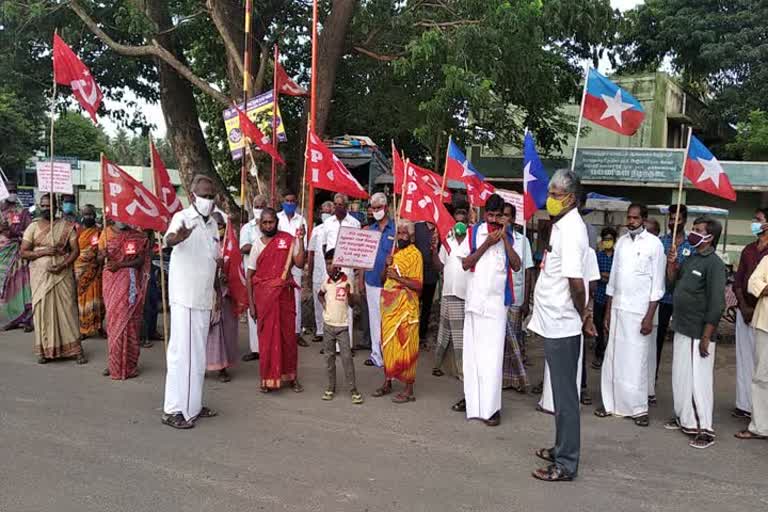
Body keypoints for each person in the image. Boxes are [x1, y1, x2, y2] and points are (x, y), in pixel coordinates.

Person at [528, 169, 593, 482]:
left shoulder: (571, 230)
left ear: (572, 198)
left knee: (566, 397)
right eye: (550, 193)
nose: (549, 199)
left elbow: (576, 284)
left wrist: (583, 315)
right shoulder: (561, 225)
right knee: (558, 393)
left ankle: (566, 463)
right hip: (553, 321)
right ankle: (560, 447)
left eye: (556, 194)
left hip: (564, 324)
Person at [452, 195, 521, 426]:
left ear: (504, 216)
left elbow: (517, 264)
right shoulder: (474, 233)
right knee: (473, 356)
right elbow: (465, 263)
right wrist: (487, 244)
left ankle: (491, 408)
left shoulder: (508, 235)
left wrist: (505, 241)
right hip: (475, 303)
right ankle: (472, 401)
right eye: (490, 215)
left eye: (498, 216)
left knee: (492, 358)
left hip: (496, 306)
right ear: (484, 214)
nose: (493, 220)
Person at [594, 204, 665, 427]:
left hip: (640, 312)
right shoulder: (622, 243)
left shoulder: (654, 245)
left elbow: (657, 286)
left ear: (644, 220)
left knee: (637, 361)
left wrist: (649, 317)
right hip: (618, 310)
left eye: (635, 218)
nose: (631, 221)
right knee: (614, 358)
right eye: (629, 217)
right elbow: (613, 282)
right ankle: (611, 404)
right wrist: (607, 312)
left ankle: (638, 409)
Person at [161, 175, 221, 429]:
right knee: (181, 354)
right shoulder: (182, 218)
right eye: (204, 195)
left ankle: (193, 405)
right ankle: (173, 410)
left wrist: (216, 294)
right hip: (185, 297)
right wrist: (178, 238)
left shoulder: (213, 226)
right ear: (193, 194)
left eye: (211, 196)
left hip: (204, 297)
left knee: (197, 355)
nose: (208, 199)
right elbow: (169, 239)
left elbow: (215, 262)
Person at [663, 216, 726, 449]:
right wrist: (672, 265)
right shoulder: (691, 258)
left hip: (699, 331)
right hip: (682, 326)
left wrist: (707, 336)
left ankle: (704, 428)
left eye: (698, 230)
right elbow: (672, 285)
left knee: (698, 381)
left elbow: (717, 303)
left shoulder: (715, 265)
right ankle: (684, 418)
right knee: (681, 376)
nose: (693, 232)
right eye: (694, 228)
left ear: (710, 237)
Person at [20, 194, 86, 364]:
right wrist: (42, 252)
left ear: (57, 207)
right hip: (40, 276)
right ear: (40, 206)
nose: (47, 208)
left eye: (50, 205)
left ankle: (75, 349)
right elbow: (24, 251)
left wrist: (63, 265)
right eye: (44, 205)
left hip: (62, 274)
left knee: (68, 309)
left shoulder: (66, 226)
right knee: (43, 311)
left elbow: (75, 251)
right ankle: (44, 350)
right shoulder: (33, 227)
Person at [247, 208, 306, 393]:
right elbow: (250, 276)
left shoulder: (288, 239)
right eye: (264, 223)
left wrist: (301, 240)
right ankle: (267, 379)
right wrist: (251, 304)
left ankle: (291, 376)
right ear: (260, 224)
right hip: (265, 300)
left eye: (271, 222)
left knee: (288, 339)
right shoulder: (257, 245)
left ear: (276, 222)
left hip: (285, 297)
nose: (268, 225)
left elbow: (299, 263)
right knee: (267, 340)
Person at [372, 219, 423, 403]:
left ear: (411, 236)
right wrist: (386, 266)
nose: (401, 236)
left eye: (404, 233)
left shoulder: (415, 255)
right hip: (388, 306)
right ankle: (388, 381)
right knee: (387, 344)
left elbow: (419, 285)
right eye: (399, 233)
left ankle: (409, 389)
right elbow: (382, 279)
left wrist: (399, 279)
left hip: (406, 308)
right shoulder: (394, 253)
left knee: (406, 346)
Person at [99, 221, 149, 379]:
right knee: (114, 322)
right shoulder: (106, 234)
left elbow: (140, 260)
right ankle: (114, 362)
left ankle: (129, 364)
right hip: (111, 282)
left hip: (130, 281)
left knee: (130, 322)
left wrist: (120, 264)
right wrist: (103, 254)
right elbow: (99, 258)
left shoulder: (137, 236)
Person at [732, 209, 768, 419]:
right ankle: (743, 404)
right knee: (744, 359)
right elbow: (739, 281)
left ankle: (760, 412)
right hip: (744, 310)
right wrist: (744, 306)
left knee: (761, 365)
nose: (754, 223)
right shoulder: (748, 250)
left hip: (763, 314)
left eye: (758, 220)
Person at [318, 249, 363, 404]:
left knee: (346, 359)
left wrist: (350, 294)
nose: (329, 267)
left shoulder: (346, 281)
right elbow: (320, 294)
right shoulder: (327, 282)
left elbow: (352, 303)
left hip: (342, 327)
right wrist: (324, 305)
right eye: (327, 263)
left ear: (339, 265)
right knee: (329, 358)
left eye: (332, 263)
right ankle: (330, 387)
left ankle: (353, 389)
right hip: (328, 326)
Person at [432, 206, 470, 378]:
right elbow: (440, 265)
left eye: (462, 220)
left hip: (464, 293)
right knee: (444, 330)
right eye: (457, 221)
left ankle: (461, 369)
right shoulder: (448, 240)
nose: (459, 224)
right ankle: (438, 363)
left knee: (459, 334)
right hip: (448, 291)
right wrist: (433, 250)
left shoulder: (472, 240)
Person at [204, 212, 240, 383]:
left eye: (221, 226)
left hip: (225, 296)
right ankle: (203, 365)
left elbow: (237, 271)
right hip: (206, 295)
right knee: (206, 332)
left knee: (224, 332)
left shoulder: (229, 246)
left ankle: (222, 368)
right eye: (215, 226)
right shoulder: (204, 244)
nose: (218, 230)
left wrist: (226, 278)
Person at [657, 204, 692, 379]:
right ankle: (651, 379)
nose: (673, 222)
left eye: (677, 219)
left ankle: (682, 380)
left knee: (683, 343)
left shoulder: (691, 245)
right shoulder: (661, 242)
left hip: (682, 301)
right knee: (656, 341)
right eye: (671, 219)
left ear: (684, 220)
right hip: (662, 298)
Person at [321, 193, 360, 347]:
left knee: (346, 303)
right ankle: (330, 344)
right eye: (336, 205)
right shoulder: (328, 223)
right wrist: (329, 264)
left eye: (341, 205)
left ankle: (346, 345)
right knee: (331, 302)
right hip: (331, 269)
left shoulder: (354, 223)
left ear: (346, 205)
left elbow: (358, 246)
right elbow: (324, 245)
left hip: (347, 269)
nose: (338, 207)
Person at [501, 203, 533, 392]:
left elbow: (528, 271)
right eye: (501, 216)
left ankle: (516, 380)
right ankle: (502, 379)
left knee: (514, 340)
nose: (503, 219)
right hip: (498, 297)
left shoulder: (523, 241)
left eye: (507, 216)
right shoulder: (494, 238)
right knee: (500, 341)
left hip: (516, 297)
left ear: (513, 219)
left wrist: (526, 301)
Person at [736, 254, 768, 440]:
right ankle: (760, 427)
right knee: (762, 377)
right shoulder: (766, 260)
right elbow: (753, 283)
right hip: (765, 324)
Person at [362, 192, 395, 367]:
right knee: (375, 319)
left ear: (386, 208)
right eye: (373, 208)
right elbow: (361, 257)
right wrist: (360, 280)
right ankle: (376, 354)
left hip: (391, 282)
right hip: (371, 280)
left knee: (389, 318)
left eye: (379, 208)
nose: (376, 211)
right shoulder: (369, 230)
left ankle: (390, 353)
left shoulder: (396, 230)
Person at [0, 181, 33, 331]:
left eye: (15, 190)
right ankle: (12, 319)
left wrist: (15, 234)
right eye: (10, 190)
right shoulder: (0, 210)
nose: (13, 193)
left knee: (23, 285)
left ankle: (26, 320)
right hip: (3, 253)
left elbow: (30, 231)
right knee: (6, 287)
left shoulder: (22, 211)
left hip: (19, 252)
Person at [277, 190, 308, 347]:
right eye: (287, 200)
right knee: (280, 298)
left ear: (296, 203)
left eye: (292, 201)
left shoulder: (301, 220)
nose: (289, 203)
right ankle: (281, 332)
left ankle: (296, 333)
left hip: (296, 264)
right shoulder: (277, 218)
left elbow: (304, 244)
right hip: (280, 265)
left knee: (295, 298)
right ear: (283, 202)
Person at [240, 195, 267, 362]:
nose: (258, 207)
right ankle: (255, 349)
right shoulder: (247, 228)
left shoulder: (271, 225)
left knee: (268, 311)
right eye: (256, 205)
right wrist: (260, 245)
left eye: (262, 205)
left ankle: (267, 346)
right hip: (251, 274)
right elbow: (244, 247)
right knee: (253, 310)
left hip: (268, 275)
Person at [74, 204, 104, 339]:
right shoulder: (77, 231)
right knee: (82, 300)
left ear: (95, 216)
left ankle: (99, 326)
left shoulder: (99, 232)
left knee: (98, 299)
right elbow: (73, 249)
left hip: (95, 269)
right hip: (80, 270)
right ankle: (83, 328)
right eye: (85, 214)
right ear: (81, 216)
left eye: (91, 214)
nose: (88, 217)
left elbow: (99, 249)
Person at [307, 200, 334, 344]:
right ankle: (320, 331)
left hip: (331, 272)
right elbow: (311, 253)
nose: (326, 214)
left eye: (329, 211)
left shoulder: (336, 228)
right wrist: (309, 272)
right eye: (324, 211)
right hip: (317, 272)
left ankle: (330, 332)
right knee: (318, 302)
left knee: (331, 303)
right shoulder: (316, 230)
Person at [592, 227, 617, 370]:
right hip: (600, 297)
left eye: (610, 239)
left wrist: (605, 276)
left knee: (611, 327)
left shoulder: (618, 256)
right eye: (605, 239)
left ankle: (610, 356)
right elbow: (596, 275)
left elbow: (617, 277)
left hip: (613, 298)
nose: (607, 242)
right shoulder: (598, 256)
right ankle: (599, 353)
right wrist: (608, 277)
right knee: (599, 326)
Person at [414, 221, 440, 347]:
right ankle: (412, 334)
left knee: (426, 308)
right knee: (413, 305)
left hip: (431, 276)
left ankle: (421, 336)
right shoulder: (417, 227)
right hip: (415, 274)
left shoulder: (441, 229)